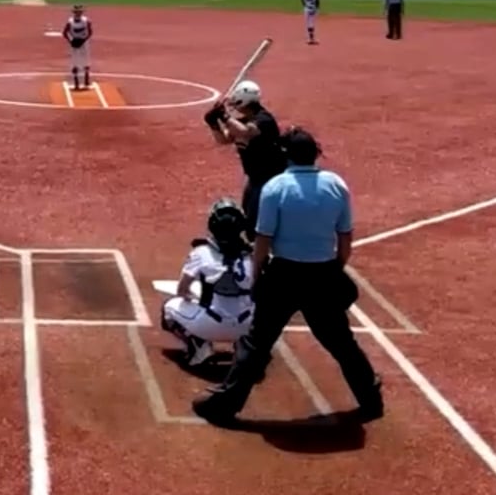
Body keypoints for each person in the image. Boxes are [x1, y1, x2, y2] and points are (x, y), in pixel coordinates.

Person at [193, 127, 383, 426]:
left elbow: (263, 241)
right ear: (315, 154)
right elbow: (345, 238)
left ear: (287, 155)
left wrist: (257, 276)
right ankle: (371, 399)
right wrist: (335, 269)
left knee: (256, 343)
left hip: (284, 274)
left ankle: (225, 404)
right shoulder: (336, 185)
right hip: (323, 273)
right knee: (341, 342)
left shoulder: (276, 187)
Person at [161, 199, 256, 367]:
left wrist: (198, 299)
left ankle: (199, 348)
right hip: (247, 328)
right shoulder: (254, 255)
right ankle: (247, 349)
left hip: (210, 325)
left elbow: (182, 291)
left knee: (167, 309)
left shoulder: (201, 252)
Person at [203, 80, 286, 232]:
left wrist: (225, 116)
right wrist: (213, 124)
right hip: (255, 179)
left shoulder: (264, 119)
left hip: (270, 180)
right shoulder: (242, 121)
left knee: (257, 223)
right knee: (248, 216)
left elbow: (246, 133)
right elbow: (224, 139)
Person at [62, 4, 93, 90]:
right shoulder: (70, 21)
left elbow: (90, 32)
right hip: (75, 42)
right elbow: (64, 33)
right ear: (74, 12)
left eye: (79, 12)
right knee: (74, 61)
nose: (78, 13)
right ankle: (76, 81)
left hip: (84, 42)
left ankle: (86, 77)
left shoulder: (86, 20)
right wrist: (71, 41)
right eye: (76, 12)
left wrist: (84, 40)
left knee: (86, 59)